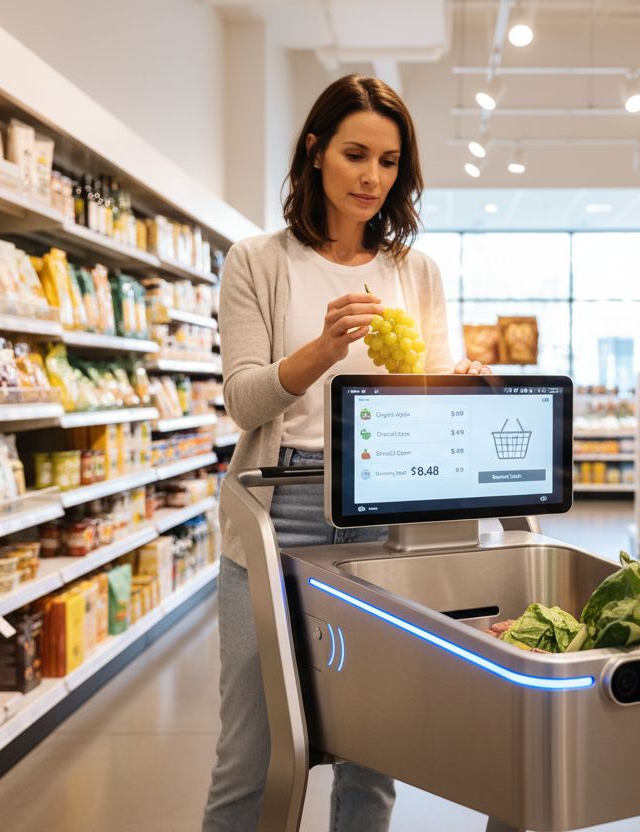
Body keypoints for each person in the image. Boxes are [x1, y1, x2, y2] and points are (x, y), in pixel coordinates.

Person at [202, 74, 488, 832]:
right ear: (315, 150)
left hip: (383, 518)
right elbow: (243, 400)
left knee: (375, 753)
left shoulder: (414, 271)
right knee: (254, 753)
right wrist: (322, 348)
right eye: (356, 154)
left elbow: (423, 398)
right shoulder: (257, 261)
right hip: (277, 511)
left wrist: (454, 385)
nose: (372, 177)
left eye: (390, 162)